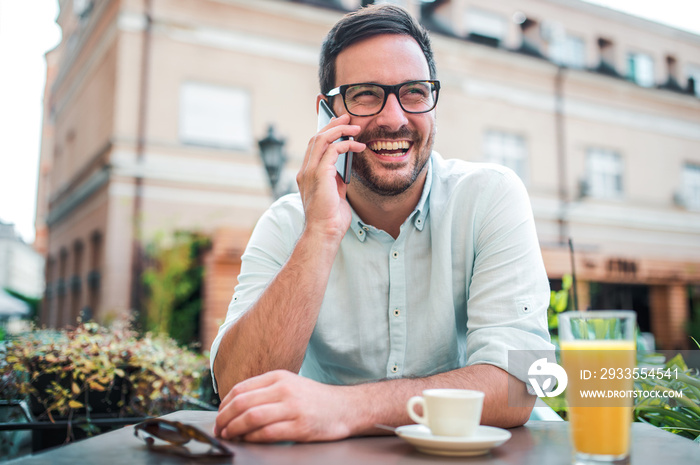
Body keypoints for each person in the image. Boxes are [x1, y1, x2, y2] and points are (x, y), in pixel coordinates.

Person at [211, 4, 552, 443]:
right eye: (367, 94)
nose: (394, 117)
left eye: (414, 91)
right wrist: (320, 233)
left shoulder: (490, 197)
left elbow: (521, 384)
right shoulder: (286, 225)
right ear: (327, 114)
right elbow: (239, 390)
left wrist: (347, 407)